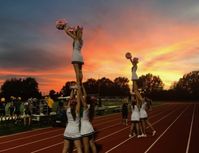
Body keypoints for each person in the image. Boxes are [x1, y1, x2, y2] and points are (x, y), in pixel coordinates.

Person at [56, 19, 85, 104]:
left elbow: (68, 33)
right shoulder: (81, 41)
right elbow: (74, 32)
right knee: (80, 71)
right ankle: (80, 83)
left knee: (77, 72)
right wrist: (75, 29)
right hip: (80, 56)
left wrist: (65, 27)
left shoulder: (76, 39)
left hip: (75, 56)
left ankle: (78, 84)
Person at [62, 88, 82, 153]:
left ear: (70, 104)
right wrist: (78, 89)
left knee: (65, 148)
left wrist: (72, 90)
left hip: (67, 131)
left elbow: (70, 99)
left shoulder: (68, 109)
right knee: (79, 148)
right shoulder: (77, 111)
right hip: (75, 132)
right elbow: (78, 99)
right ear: (76, 104)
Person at [80, 86, 98, 153]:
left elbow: (82, 97)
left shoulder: (85, 106)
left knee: (86, 146)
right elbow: (85, 95)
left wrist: (78, 88)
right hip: (89, 127)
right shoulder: (90, 106)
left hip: (84, 128)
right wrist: (83, 87)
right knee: (92, 144)